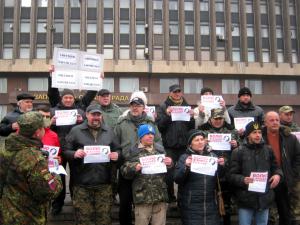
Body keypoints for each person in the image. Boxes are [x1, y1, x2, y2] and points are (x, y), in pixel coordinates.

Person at [0, 111, 62, 225]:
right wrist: (54, 173)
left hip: (6, 210)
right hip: (28, 216)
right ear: (37, 132)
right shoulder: (35, 159)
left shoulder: (5, 146)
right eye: (43, 127)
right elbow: (48, 191)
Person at [64, 104, 121, 225]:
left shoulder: (109, 131)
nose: (96, 117)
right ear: (87, 115)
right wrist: (74, 153)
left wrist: (117, 155)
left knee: (104, 220)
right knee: (83, 220)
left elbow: (118, 149)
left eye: (98, 115)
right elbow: (65, 151)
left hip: (104, 184)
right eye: (93, 114)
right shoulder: (76, 131)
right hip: (82, 184)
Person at [114, 96, 162, 225]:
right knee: (125, 202)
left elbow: (159, 143)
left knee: (144, 204)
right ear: (129, 107)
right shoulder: (121, 123)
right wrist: (120, 159)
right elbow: (115, 144)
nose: (135, 108)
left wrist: (158, 157)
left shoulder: (151, 122)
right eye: (133, 105)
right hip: (127, 168)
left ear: (143, 107)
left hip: (147, 169)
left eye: (138, 105)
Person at [229, 121, 282, 225]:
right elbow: (231, 175)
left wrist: (277, 175)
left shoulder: (268, 150)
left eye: (259, 132)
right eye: (254, 132)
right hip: (245, 199)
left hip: (264, 198)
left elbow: (276, 167)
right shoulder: (238, 152)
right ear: (248, 135)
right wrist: (242, 179)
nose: (258, 135)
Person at [121, 124, 172, 225]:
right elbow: (124, 171)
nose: (151, 136)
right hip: (142, 197)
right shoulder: (133, 151)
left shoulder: (160, 149)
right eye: (147, 134)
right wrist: (134, 167)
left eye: (152, 134)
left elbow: (167, 172)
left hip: (160, 196)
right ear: (141, 136)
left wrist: (170, 164)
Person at [174, 129, 225, 225]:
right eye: (196, 140)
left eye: (202, 139)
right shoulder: (184, 158)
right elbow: (177, 179)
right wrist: (186, 167)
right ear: (190, 144)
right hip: (191, 206)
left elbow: (220, 176)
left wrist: (222, 166)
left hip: (210, 205)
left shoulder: (213, 156)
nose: (200, 142)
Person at [199, 108, 240, 225]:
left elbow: (242, 148)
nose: (218, 121)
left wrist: (236, 144)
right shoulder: (203, 131)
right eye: (215, 118)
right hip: (208, 171)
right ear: (210, 119)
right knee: (209, 201)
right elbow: (195, 146)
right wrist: (203, 143)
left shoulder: (232, 131)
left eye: (220, 118)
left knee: (226, 202)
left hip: (227, 171)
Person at [49, 88, 86, 214]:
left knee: (76, 176)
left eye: (70, 97)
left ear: (73, 98)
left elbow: (86, 127)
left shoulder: (80, 111)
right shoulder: (53, 111)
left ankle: (76, 201)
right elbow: (45, 128)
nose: (68, 100)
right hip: (58, 149)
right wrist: (51, 122)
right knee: (58, 176)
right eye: (66, 97)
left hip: (74, 148)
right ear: (62, 98)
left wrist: (83, 121)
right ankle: (58, 203)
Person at [156, 84, 195, 203]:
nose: (177, 94)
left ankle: (182, 198)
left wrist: (192, 117)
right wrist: (167, 115)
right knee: (168, 174)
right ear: (170, 93)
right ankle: (170, 197)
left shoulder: (187, 106)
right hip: (169, 146)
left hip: (184, 146)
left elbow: (191, 127)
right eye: (174, 92)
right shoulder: (163, 106)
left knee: (185, 172)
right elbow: (160, 126)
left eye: (179, 91)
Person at [262, 111, 300, 225]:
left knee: (285, 212)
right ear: (265, 123)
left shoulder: (290, 138)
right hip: (267, 180)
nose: (275, 123)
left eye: (277, 120)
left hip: (285, 179)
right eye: (271, 120)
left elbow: (298, 157)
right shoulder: (259, 137)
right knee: (270, 216)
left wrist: (293, 174)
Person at [36, 104, 64, 215]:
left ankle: (55, 207)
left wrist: (59, 159)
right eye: (42, 116)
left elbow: (59, 153)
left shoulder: (53, 135)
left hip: (48, 172)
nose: (45, 119)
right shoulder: (25, 132)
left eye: (47, 117)